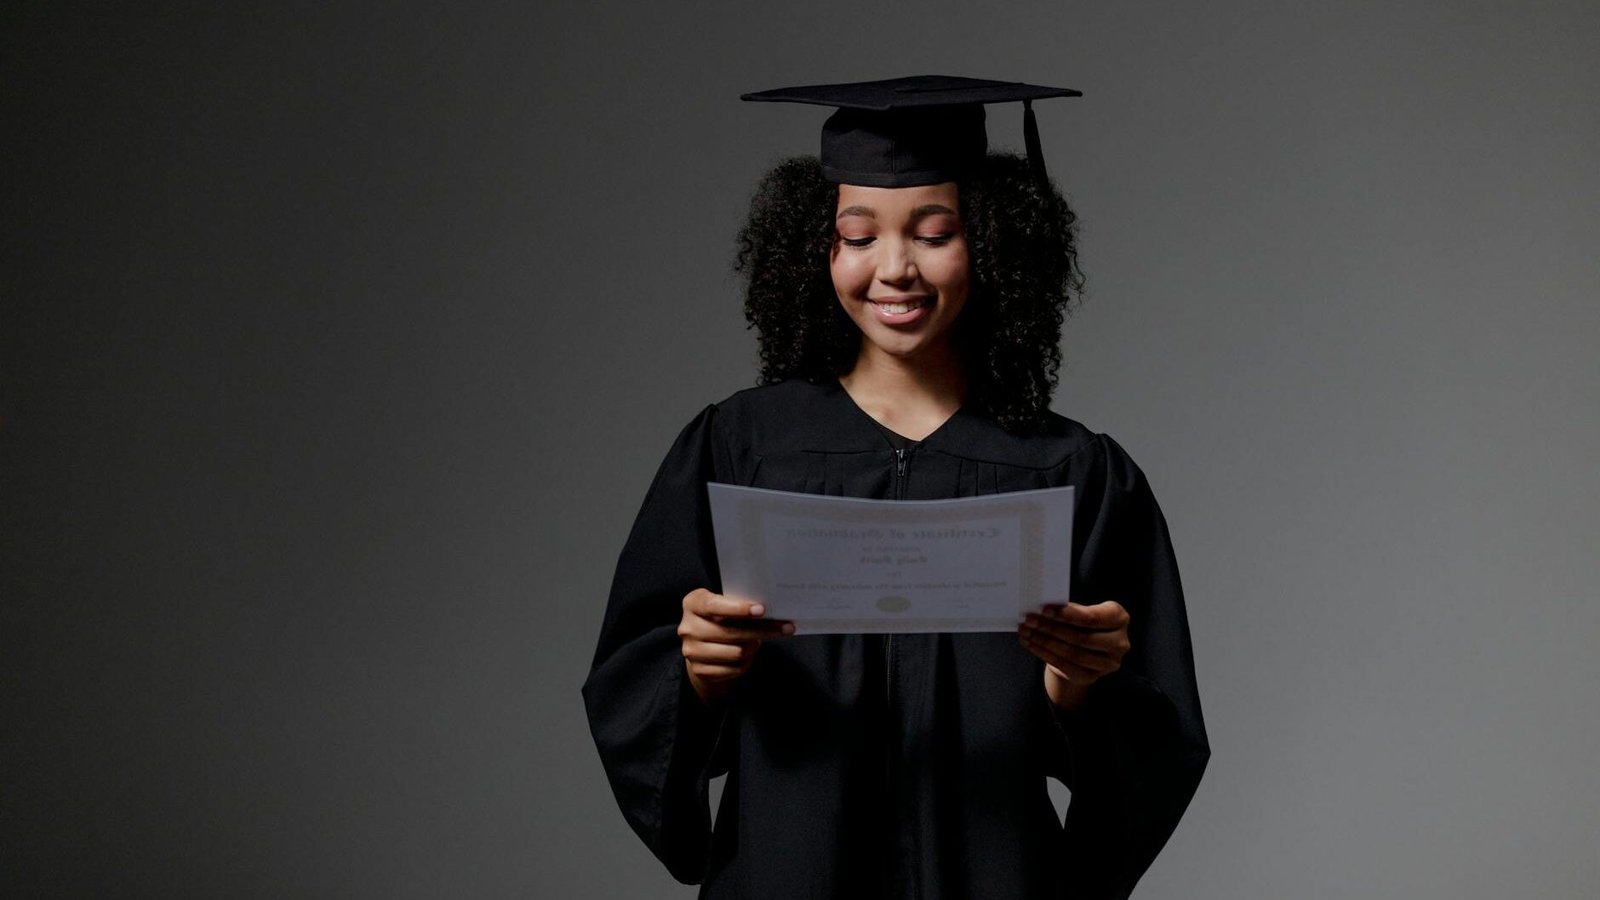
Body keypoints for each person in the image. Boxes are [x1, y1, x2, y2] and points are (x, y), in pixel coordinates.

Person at [582, 75, 1209, 899]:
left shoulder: (1072, 470)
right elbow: (632, 680)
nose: (895, 269)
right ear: (818, 248)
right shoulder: (739, 447)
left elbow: (1156, 746)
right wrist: (697, 673)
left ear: (992, 239)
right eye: (857, 235)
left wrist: (1081, 686)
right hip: (788, 874)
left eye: (935, 231)